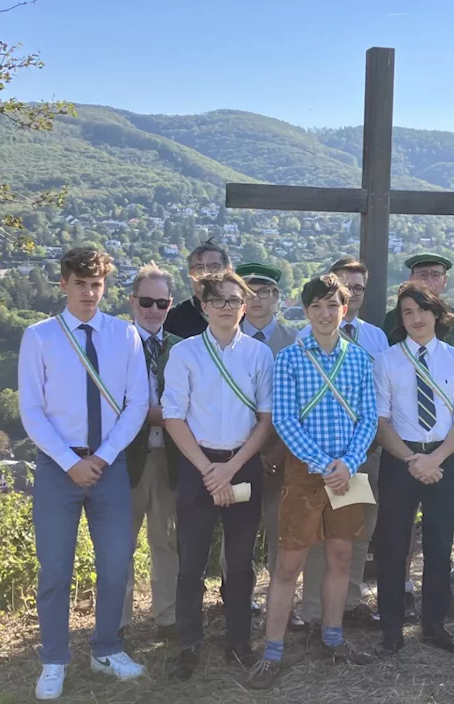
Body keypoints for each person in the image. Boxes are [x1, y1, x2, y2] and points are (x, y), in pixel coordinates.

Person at [18, 247, 150, 700]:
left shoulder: (124, 335)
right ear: (64, 284)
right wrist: (71, 462)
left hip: (110, 465)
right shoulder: (39, 337)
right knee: (55, 569)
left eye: (96, 285)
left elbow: (137, 404)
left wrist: (104, 456)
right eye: (80, 284)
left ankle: (106, 648)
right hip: (58, 468)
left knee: (115, 565)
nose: (89, 293)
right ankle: (54, 659)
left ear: (105, 287)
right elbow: (31, 411)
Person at [246, 274, 379, 690]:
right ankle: (272, 651)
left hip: (350, 471)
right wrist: (325, 464)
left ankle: (334, 637)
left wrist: (348, 462)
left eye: (332, 305)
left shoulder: (358, 358)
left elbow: (369, 418)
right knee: (289, 564)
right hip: (306, 473)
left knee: (341, 557)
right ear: (306, 312)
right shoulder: (288, 358)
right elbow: (284, 420)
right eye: (316, 306)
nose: (325, 314)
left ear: (344, 309)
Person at [161, 270, 274, 681]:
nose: (228, 307)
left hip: (242, 462)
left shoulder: (260, 355)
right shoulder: (186, 353)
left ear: (245, 306)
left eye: (235, 300)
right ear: (204, 306)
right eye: (219, 300)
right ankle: (188, 645)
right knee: (191, 562)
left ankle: (239, 641)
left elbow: (266, 419)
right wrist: (210, 469)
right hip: (198, 466)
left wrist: (229, 468)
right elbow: (173, 416)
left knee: (241, 563)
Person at [374, 283, 454, 656]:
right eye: (407, 312)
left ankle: (434, 626)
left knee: (439, 546)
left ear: (437, 314)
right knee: (392, 547)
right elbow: (380, 421)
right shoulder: (387, 360)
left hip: (444, 460)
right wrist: (412, 460)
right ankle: (390, 630)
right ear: (400, 319)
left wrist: (436, 459)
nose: (415, 318)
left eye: (422, 310)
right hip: (400, 460)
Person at [296, 257, 389, 628]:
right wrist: (324, 460)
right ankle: (315, 610)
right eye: (344, 286)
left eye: (358, 288)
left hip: (362, 453)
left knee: (357, 530)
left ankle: (350, 602)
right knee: (319, 536)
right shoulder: (305, 338)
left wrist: (358, 453)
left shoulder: (376, 337)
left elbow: (377, 398)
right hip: (316, 459)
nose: (351, 293)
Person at [121, 263, 182, 644]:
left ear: (170, 305)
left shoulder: (182, 347)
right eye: (146, 301)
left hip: (171, 459)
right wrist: (156, 414)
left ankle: (169, 618)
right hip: (126, 460)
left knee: (168, 541)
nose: (153, 310)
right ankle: (117, 621)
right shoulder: (116, 344)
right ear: (132, 301)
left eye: (161, 303)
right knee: (119, 543)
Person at [236, 263, 300, 582]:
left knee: (283, 532)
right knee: (238, 535)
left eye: (264, 291)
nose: (256, 299)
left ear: (276, 296)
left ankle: (280, 603)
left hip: (285, 453)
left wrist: (276, 454)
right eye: (248, 292)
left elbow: (304, 404)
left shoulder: (297, 340)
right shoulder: (227, 340)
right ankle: (235, 600)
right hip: (239, 451)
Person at [164, 238, 230, 339]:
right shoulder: (171, 320)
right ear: (190, 273)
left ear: (228, 271)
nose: (206, 273)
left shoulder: (243, 315)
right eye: (199, 268)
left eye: (214, 266)